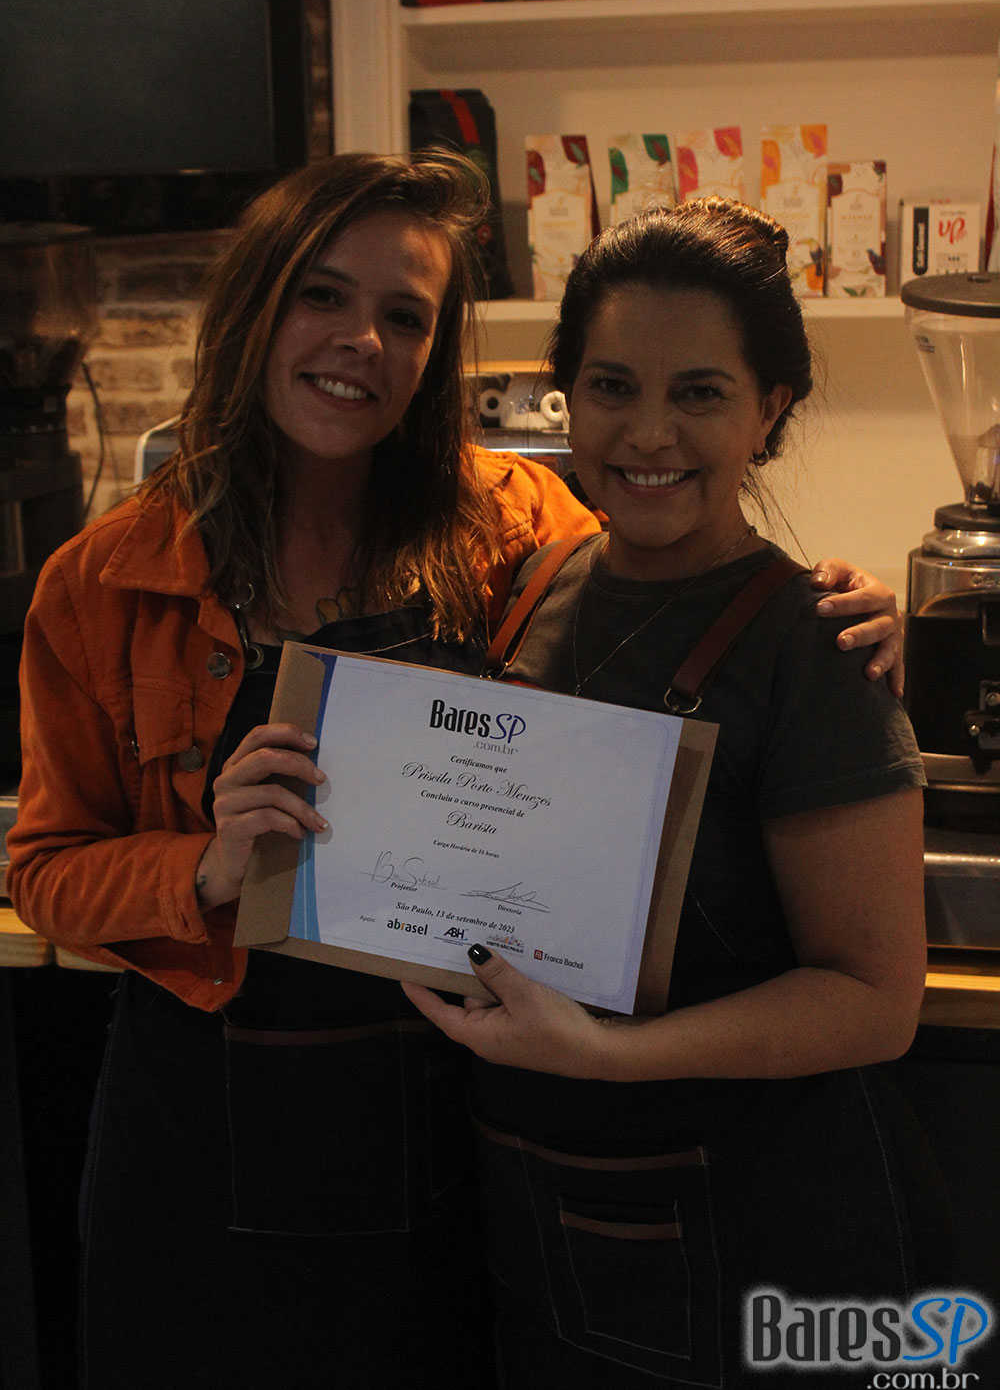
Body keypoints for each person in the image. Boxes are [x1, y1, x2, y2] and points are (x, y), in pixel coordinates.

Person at [7, 154, 903, 1390]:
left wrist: (841, 604)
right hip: (202, 1151)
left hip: (454, 1137)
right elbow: (45, 873)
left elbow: (684, 569)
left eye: (406, 315)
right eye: (322, 295)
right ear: (255, 304)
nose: (360, 342)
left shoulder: (514, 525)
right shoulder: (104, 581)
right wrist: (206, 867)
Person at [404, 198, 945, 1390]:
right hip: (537, 1205)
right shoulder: (530, 586)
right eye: (611, 387)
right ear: (565, 395)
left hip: (759, 1235)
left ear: (770, 408)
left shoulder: (813, 646)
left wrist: (606, 1056)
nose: (648, 433)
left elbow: (873, 1001)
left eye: (699, 393)